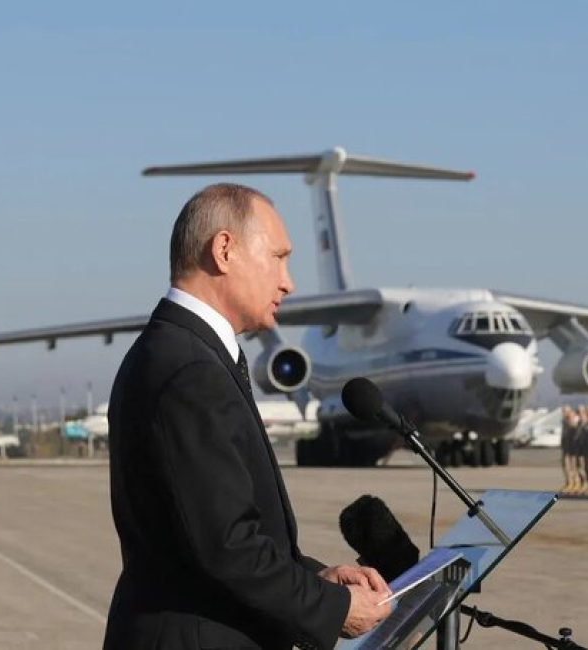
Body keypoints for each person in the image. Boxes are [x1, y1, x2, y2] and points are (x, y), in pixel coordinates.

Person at [103, 184, 391, 650]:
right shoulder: (189, 368)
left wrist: (317, 576)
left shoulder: (181, 352)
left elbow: (210, 532)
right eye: (278, 257)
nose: (288, 282)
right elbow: (227, 546)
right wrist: (333, 608)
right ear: (224, 250)